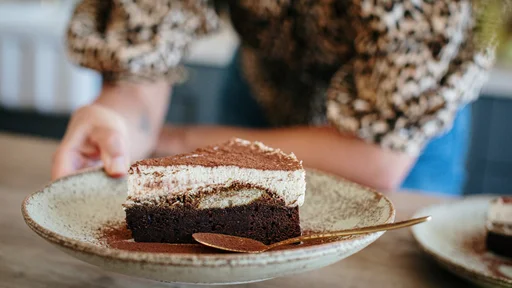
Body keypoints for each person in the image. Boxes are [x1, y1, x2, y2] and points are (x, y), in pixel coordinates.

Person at [52, 0, 503, 194]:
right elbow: (140, 58)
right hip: (258, 95)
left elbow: (376, 160)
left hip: (404, 131)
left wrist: (180, 143)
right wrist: (120, 123)